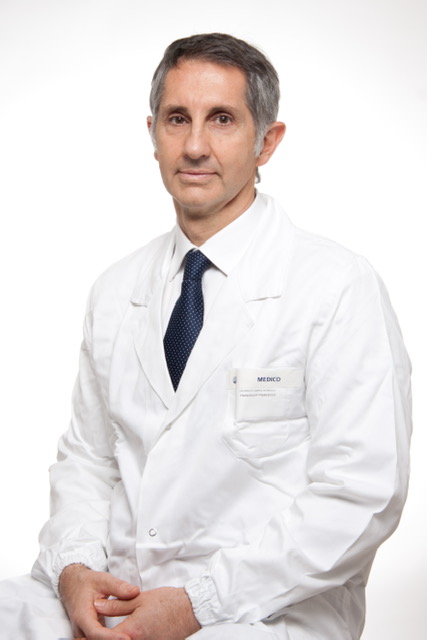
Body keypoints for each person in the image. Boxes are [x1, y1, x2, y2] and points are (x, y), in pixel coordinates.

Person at [0, 32, 411, 640]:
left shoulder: (336, 287)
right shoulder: (116, 290)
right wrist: (76, 571)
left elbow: (361, 493)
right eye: (177, 119)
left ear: (267, 141)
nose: (194, 146)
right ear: (152, 134)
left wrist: (198, 603)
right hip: (118, 596)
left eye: (222, 119)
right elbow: (88, 460)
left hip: (262, 611)